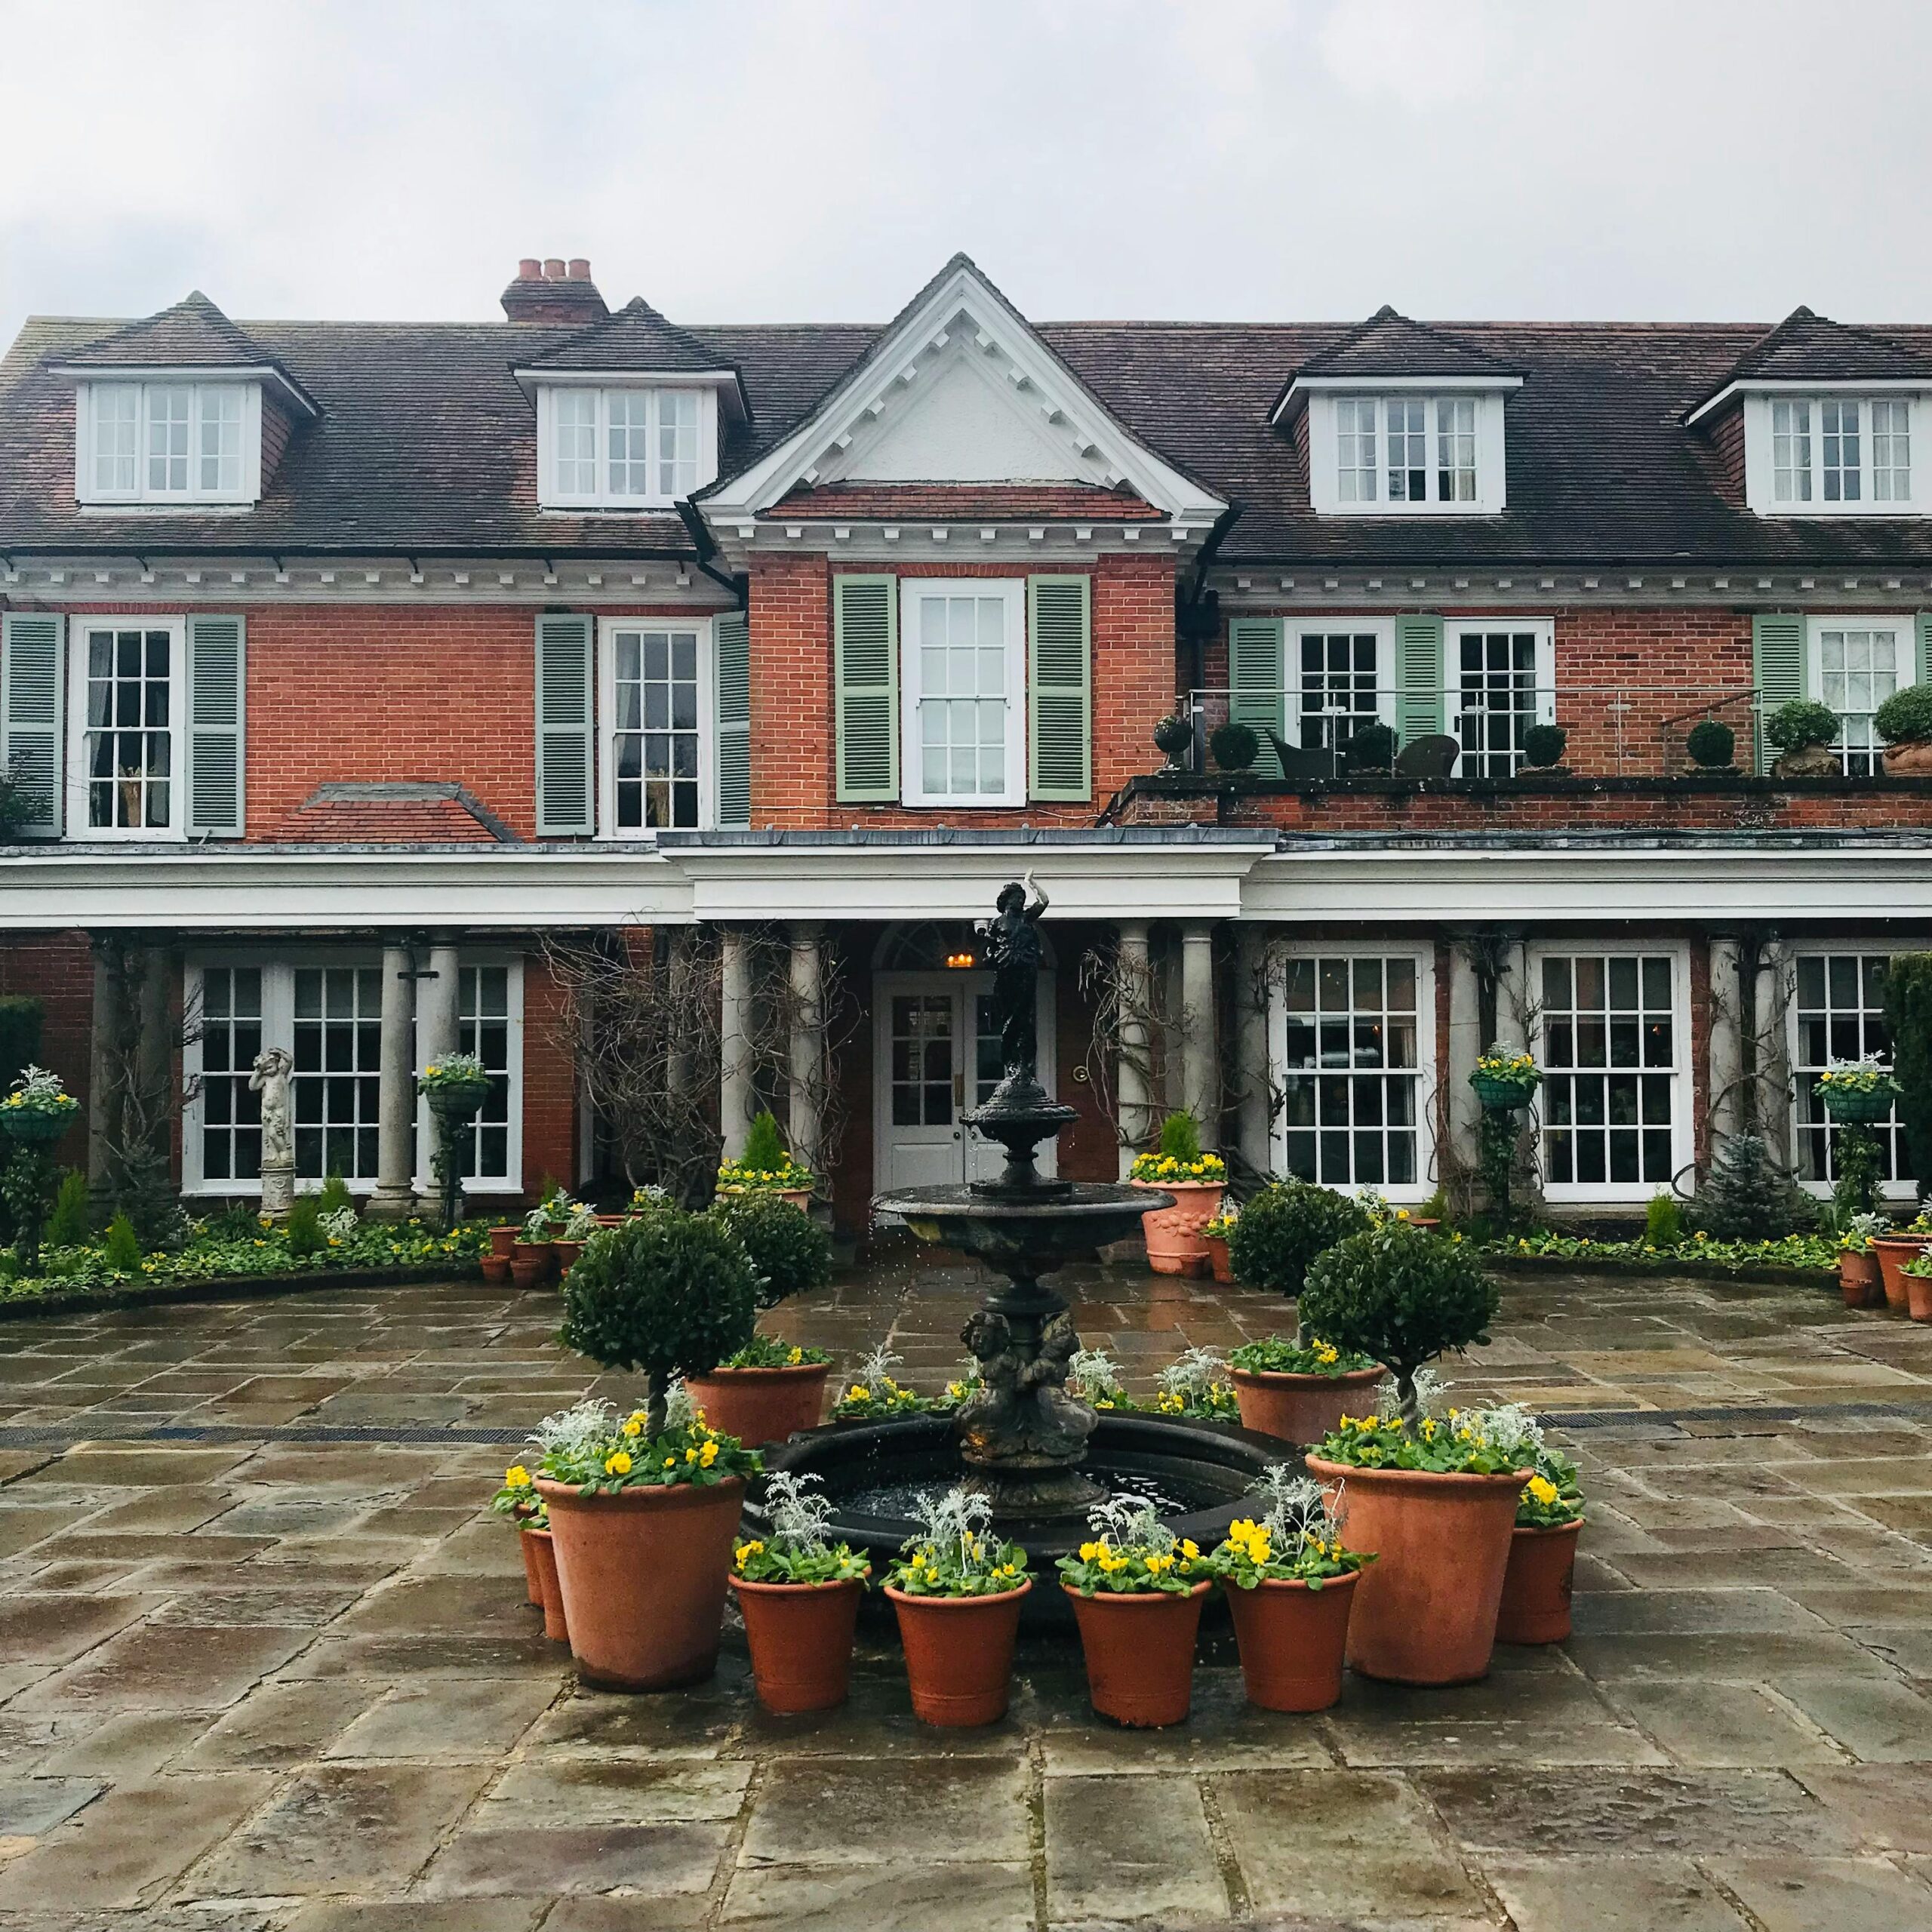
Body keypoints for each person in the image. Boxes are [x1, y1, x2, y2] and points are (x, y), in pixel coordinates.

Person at [978, 871, 1048, 1078]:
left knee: (1025, 1018)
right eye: (1017, 897)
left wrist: (1032, 883)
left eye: (1022, 898)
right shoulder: (997, 923)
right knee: (1009, 1019)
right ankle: (1011, 1062)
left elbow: (1044, 901)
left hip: (1026, 972)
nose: (1021, 900)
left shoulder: (1027, 919)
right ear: (1007, 900)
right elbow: (989, 950)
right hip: (1007, 973)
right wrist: (993, 958)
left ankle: (1026, 1063)